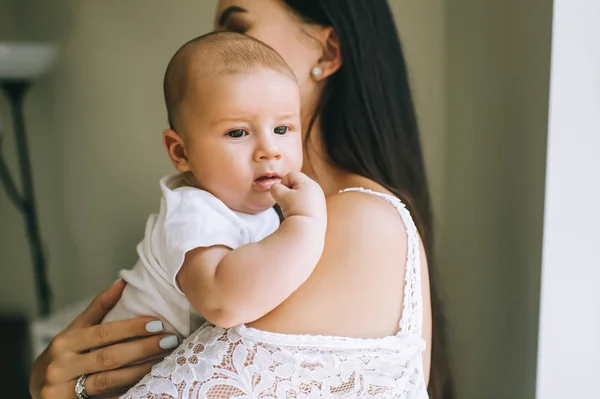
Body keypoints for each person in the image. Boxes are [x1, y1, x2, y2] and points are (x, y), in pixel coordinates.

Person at [30, 1, 453, 398]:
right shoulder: (221, 209)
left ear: (326, 52)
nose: (226, 50)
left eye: (237, 27)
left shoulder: (358, 223)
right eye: (237, 133)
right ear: (179, 151)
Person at [102, 32, 326, 342]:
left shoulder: (256, 209)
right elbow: (223, 303)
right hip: (120, 376)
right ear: (181, 152)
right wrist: (306, 226)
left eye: (282, 128)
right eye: (237, 133)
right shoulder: (193, 210)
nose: (269, 149)